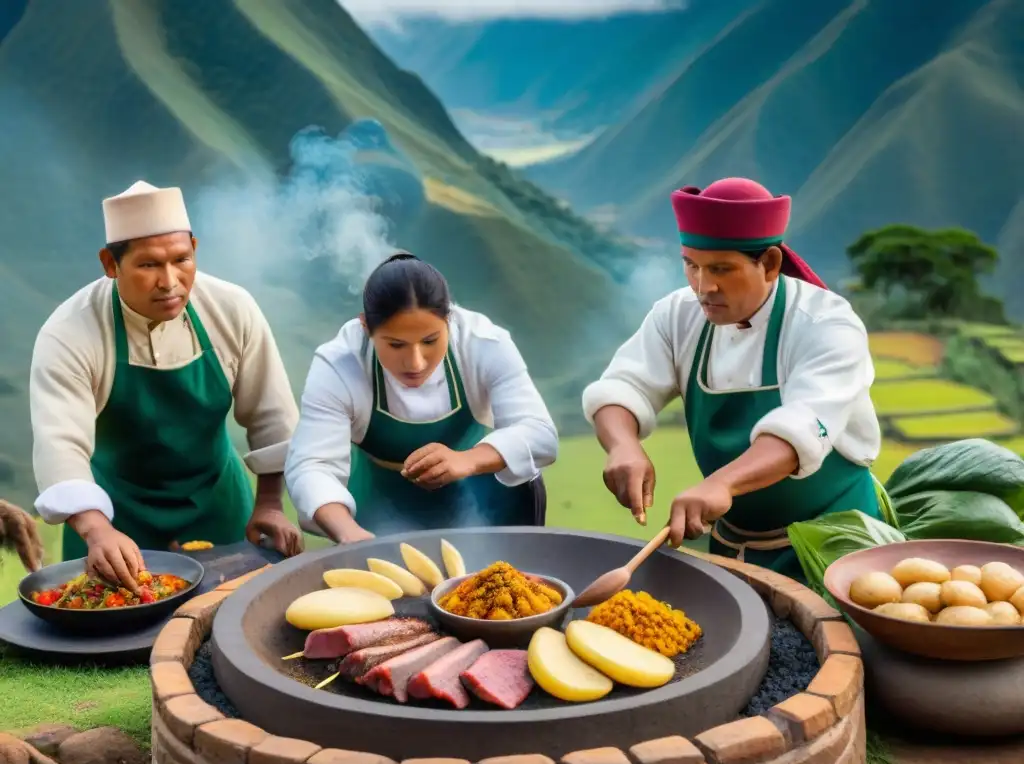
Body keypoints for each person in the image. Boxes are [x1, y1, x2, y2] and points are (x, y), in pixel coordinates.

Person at [582, 177, 882, 581]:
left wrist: (721, 483)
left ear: (771, 264)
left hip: (839, 545)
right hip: (733, 546)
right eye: (691, 265)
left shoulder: (826, 324)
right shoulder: (678, 315)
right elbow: (623, 386)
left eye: (722, 269)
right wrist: (622, 446)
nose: (704, 287)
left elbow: (803, 428)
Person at [30, 181, 304, 591]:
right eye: (148, 265)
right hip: (114, 520)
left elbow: (272, 416)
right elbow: (60, 445)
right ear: (110, 263)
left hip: (219, 506)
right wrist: (96, 530)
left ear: (195, 247)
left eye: (182, 259)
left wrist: (269, 503)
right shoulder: (70, 333)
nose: (170, 281)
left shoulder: (232, 308)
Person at [285, 251, 558, 542]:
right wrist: (349, 534)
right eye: (396, 344)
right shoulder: (338, 363)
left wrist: (467, 460)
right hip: (381, 503)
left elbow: (540, 433)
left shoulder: (484, 343)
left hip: (485, 494)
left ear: (449, 320)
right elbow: (312, 465)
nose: (416, 363)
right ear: (366, 327)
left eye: (430, 341)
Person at [0, 500, 44, 573]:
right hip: (18, 518)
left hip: (16, 520)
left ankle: (37, 573)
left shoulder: (14, 518)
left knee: (34, 557)